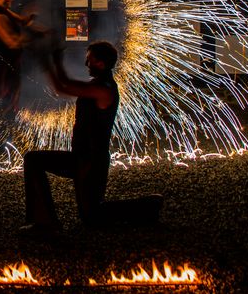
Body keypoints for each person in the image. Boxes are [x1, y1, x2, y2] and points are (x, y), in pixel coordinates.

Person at [22, 40, 162, 233]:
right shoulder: (98, 85)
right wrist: (55, 61)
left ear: (101, 63)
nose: (86, 64)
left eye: (90, 60)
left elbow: (62, 88)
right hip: (80, 157)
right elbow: (65, 84)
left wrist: (48, 63)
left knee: (92, 216)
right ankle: (43, 222)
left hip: (92, 162)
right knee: (33, 160)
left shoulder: (103, 90)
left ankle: (149, 206)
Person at [0, 0, 36, 116]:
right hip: (3, 69)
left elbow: (23, 21)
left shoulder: (5, 11)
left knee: (13, 101)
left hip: (12, 65)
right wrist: (34, 39)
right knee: (6, 103)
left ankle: (9, 127)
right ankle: (3, 131)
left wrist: (32, 15)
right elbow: (12, 43)